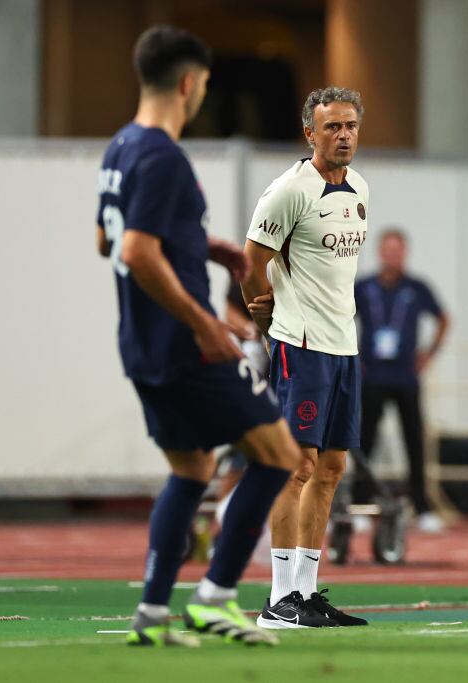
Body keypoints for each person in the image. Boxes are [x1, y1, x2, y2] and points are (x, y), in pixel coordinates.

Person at [96, 25, 300, 647]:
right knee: (279, 455)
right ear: (189, 84)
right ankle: (214, 597)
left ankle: (154, 613)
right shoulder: (162, 155)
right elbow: (135, 247)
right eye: (204, 85)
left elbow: (107, 240)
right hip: (185, 345)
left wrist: (198, 244)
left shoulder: (121, 148)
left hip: (140, 344)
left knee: (191, 469)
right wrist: (205, 323)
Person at [242, 86, 370, 629]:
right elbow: (252, 262)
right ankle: (278, 599)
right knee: (296, 467)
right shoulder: (289, 192)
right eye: (332, 127)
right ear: (310, 133)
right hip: (303, 346)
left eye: (350, 126)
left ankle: (307, 592)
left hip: (345, 345)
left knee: (333, 467)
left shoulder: (360, 186)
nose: (343, 135)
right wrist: (265, 322)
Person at [354, 229, 451, 533]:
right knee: (364, 441)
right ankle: (358, 506)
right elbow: (341, 317)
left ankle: (421, 507)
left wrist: (429, 354)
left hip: (406, 378)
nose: (393, 256)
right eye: (388, 250)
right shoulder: (363, 287)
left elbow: (443, 318)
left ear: (405, 254)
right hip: (372, 377)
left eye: (399, 251)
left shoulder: (417, 287)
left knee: (414, 442)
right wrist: (352, 357)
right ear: (380, 253)